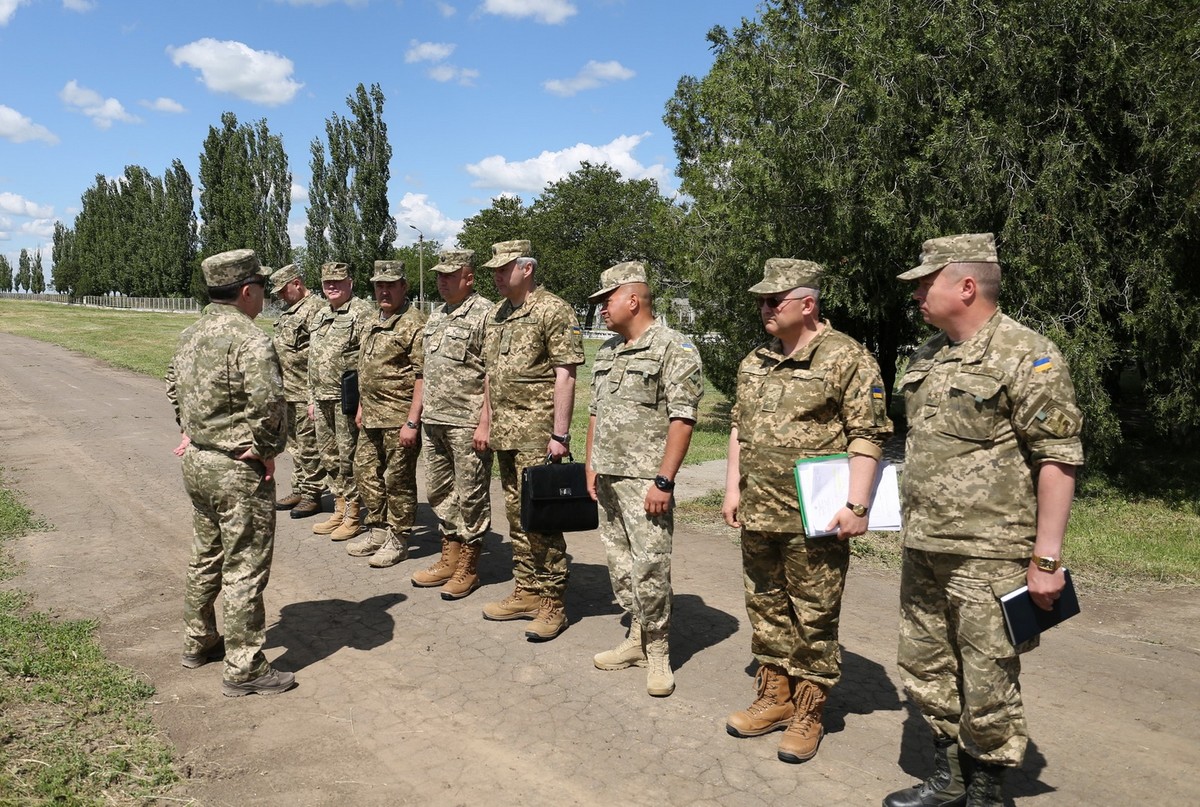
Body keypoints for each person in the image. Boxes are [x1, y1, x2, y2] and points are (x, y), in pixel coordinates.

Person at [883, 233, 1084, 807]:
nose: (916, 295)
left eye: (926, 284)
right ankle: (950, 777)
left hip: (988, 553)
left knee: (989, 675)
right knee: (926, 664)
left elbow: (1058, 458)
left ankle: (987, 791)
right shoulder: (927, 356)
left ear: (966, 286)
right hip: (925, 544)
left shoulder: (1027, 354)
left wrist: (1047, 559)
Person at [721, 258, 892, 763]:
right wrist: (732, 489)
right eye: (761, 301)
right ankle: (775, 696)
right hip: (759, 510)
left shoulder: (847, 358)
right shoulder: (755, 360)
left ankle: (809, 710)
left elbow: (868, 433)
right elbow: (739, 428)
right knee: (765, 606)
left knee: (814, 614)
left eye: (774, 300)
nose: (765, 309)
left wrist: (857, 503)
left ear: (808, 303)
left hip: (814, 517)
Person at [165, 248, 295, 697]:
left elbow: (172, 386)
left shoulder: (191, 333)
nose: (264, 295)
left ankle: (198, 640)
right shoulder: (250, 339)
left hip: (199, 462)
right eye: (261, 287)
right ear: (246, 291)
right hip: (236, 469)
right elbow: (268, 404)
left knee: (206, 555)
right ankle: (244, 667)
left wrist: (190, 429)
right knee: (245, 565)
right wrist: (266, 450)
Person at [584, 261, 703, 697]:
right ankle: (635, 638)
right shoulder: (608, 351)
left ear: (632, 300)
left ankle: (658, 651)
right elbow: (595, 411)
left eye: (607, 299)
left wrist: (664, 480)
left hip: (646, 481)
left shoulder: (674, 347)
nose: (601, 308)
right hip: (609, 476)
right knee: (620, 565)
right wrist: (591, 463)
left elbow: (683, 418)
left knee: (651, 567)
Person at [479, 239, 585, 641]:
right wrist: (486, 421)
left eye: (504, 268)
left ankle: (553, 602)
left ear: (527, 268)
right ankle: (527, 589)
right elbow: (490, 374)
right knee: (516, 517)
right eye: (494, 269)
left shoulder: (553, 309)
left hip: (537, 435)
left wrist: (560, 434)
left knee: (542, 519)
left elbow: (566, 374)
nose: (497, 275)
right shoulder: (498, 313)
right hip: (506, 433)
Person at [411, 248, 495, 599]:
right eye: (439, 276)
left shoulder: (486, 314)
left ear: (469, 278)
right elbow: (424, 371)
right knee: (438, 491)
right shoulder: (437, 315)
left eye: (449, 276)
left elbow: (492, 373)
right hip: (434, 420)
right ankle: (450, 554)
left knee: (471, 494)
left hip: (466, 422)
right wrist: (416, 416)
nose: (442, 282)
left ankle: (469, 567)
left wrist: (485, 422)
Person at [344, 260, 426, 568]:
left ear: (404, 286)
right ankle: (378, 529)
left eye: (391, 285)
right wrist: (362, 406)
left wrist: (412, 421)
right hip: (372, 415)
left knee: (398, 480)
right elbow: (366, 368)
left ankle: (399, 537)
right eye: (380, 285)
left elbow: (422, 376)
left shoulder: (414, 323)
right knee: (364, 471)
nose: (384, 291)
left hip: (398, 417)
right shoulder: (371, 319)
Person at [307, 261, 375, 541]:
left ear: (350, 283)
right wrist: (310, 398)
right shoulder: (322, 314)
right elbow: (313, 359)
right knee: (329, 456)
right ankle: (339, 507)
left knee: (348, 458)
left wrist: (363, 403)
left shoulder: (362, 313)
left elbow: (369, 360)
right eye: (327, 283)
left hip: (346, 399)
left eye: (337, 282)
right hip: (321, 397)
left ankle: (354, 514)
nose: (332, 287)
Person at [269, 264, 328, 519]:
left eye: (284, 290)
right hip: (287, 390)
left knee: (308, 445)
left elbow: (320, 351)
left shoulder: (316, 309)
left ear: (296, 283)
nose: (282, 296)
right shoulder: (290, 310)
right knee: (294, 445)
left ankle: (312, 494)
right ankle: (299, 488)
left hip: (304, 390)